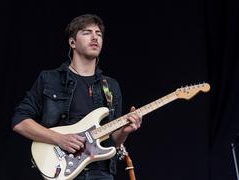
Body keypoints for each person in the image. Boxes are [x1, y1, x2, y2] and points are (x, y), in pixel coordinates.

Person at [12, 14, 142, 180]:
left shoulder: (111, 86)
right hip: (61, 169)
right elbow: (19, 121)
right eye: (87, 32)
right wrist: (59, 139)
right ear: (72, 42)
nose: (95, 37)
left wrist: (125, 131)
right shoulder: (49, 79)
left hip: (100, 173)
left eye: (99, 34)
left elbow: (113, 143)